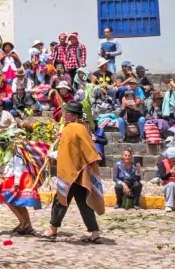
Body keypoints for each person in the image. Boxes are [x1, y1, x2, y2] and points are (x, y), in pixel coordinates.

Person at [44, 101, 105, 243]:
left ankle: (53, 229)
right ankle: (95, 233)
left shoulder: (70, 129)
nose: (65, 116)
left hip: (71, 172)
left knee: (60, 199)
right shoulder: (83, 128)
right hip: (82, 173)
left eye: (67, 113)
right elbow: (85, 151)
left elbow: (65, 153)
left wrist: (52, 154)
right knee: (84, 203)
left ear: (72, 115)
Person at [0, 120, 50, 235]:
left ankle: (22, 223)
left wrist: (16, 181)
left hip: (17, 177)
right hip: (18, 175)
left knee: (9, 200)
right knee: (18, 203)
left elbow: (18, 163)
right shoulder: (23, 145)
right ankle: (28, 225)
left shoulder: (19, 146)